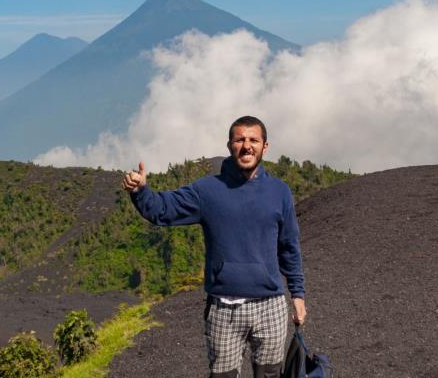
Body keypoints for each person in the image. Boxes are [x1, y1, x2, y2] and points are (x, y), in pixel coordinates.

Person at [122, 115, 306, 378]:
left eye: (253, 140)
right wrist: (141, 191)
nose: (246, 146)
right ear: (229, 145)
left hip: (271, 306)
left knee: (270, 375)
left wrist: (298, 295)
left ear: (265, 146)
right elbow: (163, 210)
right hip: (223, 309)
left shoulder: (280, 192)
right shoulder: (207, 191)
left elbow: (289, 246)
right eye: (240, 139)